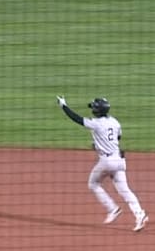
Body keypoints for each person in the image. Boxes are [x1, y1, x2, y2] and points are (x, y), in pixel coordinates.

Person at [55, 96, 149, 232]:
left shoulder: (96, 123)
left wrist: (63, 105)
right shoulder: (115, 122)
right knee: (125, 190)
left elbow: (77, 119)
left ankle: (113, 209)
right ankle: (140, 215)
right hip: (119, 160)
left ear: (97, 110)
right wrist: (99, 144)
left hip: (107, 162)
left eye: (93, 107)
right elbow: (117, 138)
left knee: (93, 184)